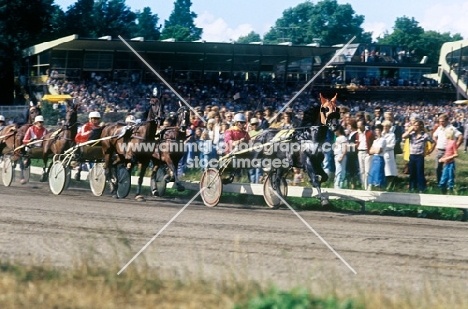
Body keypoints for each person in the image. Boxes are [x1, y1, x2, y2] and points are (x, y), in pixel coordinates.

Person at [402, 120, 435, 193]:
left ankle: (422, 188)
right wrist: (409, 130)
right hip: (412, 155)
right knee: (412, 172)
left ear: (420, 126)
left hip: (419, 156)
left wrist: (429, 151)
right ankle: (412, 187)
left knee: (420, 172)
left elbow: (433, 142)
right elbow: (403, 136)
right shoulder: (411, 134)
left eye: (416, 125)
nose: (415, 127)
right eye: (414, 125)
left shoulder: (425, 135)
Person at [433, 114, 463, 184]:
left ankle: (448, 184)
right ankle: (440, 183)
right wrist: (437, 143)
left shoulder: (451, 128)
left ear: (447, 121)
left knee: (448, 169)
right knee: (437, 168)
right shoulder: (439, 128)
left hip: (448, 152)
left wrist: (455, 147)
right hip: (440, 150)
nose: (441, 123)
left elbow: (461, 137)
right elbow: (434, 136)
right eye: (439, 121)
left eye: (442, 121)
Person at [356, 119, 375, 190]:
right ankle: (363, 185)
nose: (358, 126)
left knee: (368, 170)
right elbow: (358, 143)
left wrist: (371, 151)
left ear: (363, 125)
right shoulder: (358, 134)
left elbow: (373, 141)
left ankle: (369, 185)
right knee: (361, 170)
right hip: (360, 152)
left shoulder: (369, 133)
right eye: (358, 125)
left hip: (367, 153)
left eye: (359, 125)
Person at [438, 128, 458, 194]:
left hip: (451, 163)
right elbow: (447, 152)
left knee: (450, 178)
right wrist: (442, 158)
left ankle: (450, 192)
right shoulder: (447, 142)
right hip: (446, 163)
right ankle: (443, 192)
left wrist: (446, 158)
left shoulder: (453, 142)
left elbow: (455, 154)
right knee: (443, 178)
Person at [367, 124, 386, 190]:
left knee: (379, 174)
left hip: (380, 158)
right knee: (372, 173)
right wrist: (375, 150)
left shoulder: (383, 140)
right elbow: (370, 151)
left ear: (381, 131)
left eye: (378, 130)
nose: (377, 131)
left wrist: (375, 150)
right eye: (376, 130)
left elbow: (378, 151)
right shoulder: (375, 141)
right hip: (374, 158)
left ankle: (379, 188)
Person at [382, 120, 398, 189]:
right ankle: (383, 184)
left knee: (389, 171)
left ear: (389, 127)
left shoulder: (392, 135)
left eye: (387, 126)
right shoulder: (381, 133)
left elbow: (392, 146)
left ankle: (390, 185)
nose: (385, 128)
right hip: (381, 154)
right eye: (384, 126)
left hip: (388, 154)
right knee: (382, 170)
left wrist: (383, 147)